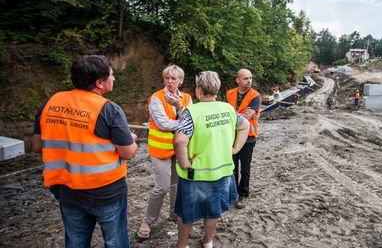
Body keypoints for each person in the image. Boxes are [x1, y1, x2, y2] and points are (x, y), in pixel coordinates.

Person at [32, 55, 138, 248]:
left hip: (66, 190)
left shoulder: (51, 103)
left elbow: (38, 146)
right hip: (106, 192)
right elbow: (128, 153)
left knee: (75, 242)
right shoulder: (108, 109)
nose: (114, 79)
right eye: (112, 75)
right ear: (99, 83)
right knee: (116, 242)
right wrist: (131, 139)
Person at [172, 71, 249, 248]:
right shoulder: (227, 108)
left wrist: (184, 163)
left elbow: (179, 140)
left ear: (199, 89)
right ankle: (207, 240)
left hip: (195, 175)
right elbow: (245, 126)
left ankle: (182, 244)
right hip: (222, 172)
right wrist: (235, 148)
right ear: (217, 89)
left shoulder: (192, 112)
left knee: (187, 213)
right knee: (213, 211)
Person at [137, 65, 192, 240]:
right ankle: (148, 221)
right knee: (162, 187)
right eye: (167, 78)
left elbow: (189, 119)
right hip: (160, 149)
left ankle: (174, 214)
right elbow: (163, 124)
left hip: (179, 148)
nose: (169, 81)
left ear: (180, 81)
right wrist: (184, 123)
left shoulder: (188, 98)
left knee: (176, 184)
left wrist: (180, 110)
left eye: (173, 78)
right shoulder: (156, 98)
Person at [225, 68, 261, 209]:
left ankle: (243, 194)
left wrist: (232, 114)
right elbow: (225, 112)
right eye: (246, 78)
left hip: (249, 138)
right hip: (232, 137)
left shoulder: (255, 96)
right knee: (232, 167)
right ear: (237, 79)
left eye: (250, 78)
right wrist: (237, 114)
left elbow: (248, 116)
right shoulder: (229, 94)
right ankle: (232, 193)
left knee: (245, 168)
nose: (249, 81)